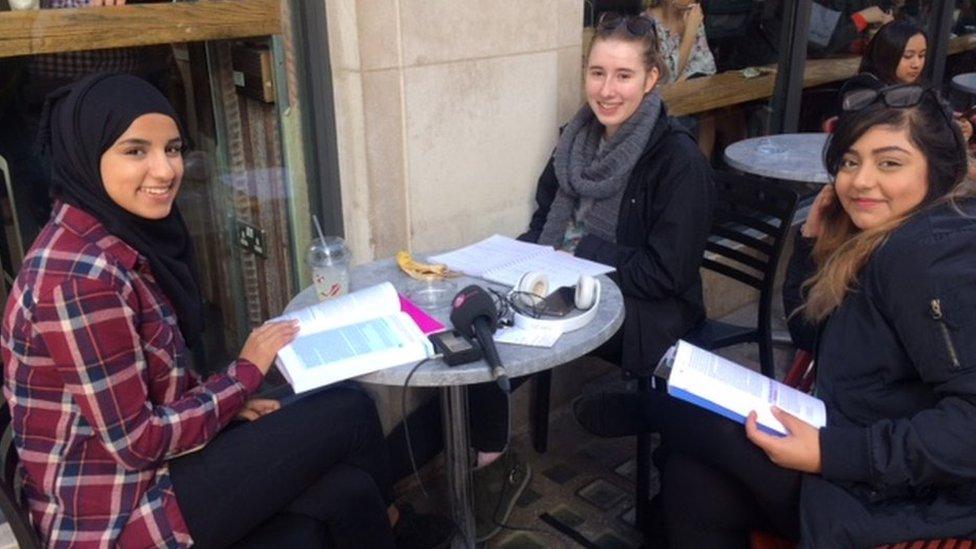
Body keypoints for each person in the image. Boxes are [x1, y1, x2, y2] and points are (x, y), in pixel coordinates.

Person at [0, 73, 451, 549]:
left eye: (172, 149)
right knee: (349, 408)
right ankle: (399, 524)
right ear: (87, 155)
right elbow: (137, 443)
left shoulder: (111, 240)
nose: (164, 170)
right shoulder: (78, 280)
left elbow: (149, 386)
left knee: (350, 487)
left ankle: (395, 524)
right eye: (135, 151)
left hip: (150, 473)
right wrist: (243, 376)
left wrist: (227, 406)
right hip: (119, 516)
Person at [576, 76, 976, 546]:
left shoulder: (933, 255)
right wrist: (811, 244)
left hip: (900, 494)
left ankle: (650, 410)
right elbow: (812, 333)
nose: (861, 180)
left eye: (890, 163)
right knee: (691, 477)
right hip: (852, 442)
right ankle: (659, 424)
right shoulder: (880, 238)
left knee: (703, 426)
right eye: (850, 162)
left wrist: (830, 452)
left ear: (939, 170)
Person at [466, 12, 715, 543]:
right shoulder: (575, 140)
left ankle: (613, 416)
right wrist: (514, 268)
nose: (607, 90)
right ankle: (489, 464)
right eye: (597, 73)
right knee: (478, 334)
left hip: (646, 311)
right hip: (567, 285)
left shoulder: (677, 161)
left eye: (623, 75)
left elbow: (665, 274)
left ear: (651, 80)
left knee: (502, 345)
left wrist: (574, 249)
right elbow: (544, 218)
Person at [642, 0, 722, 160]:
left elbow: (707, 64)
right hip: (658, 103)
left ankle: (702, 171)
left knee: (718, 111)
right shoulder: (647, 24)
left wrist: (682, 78)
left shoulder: (691, 16)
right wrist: (690, 33)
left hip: (691, 93)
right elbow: (666, 77)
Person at [859, 20, 927, 85]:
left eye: (921, 55)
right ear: (885, 55)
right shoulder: (868, 94)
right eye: (908, 56)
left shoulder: (921, 91)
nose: (916, 64)